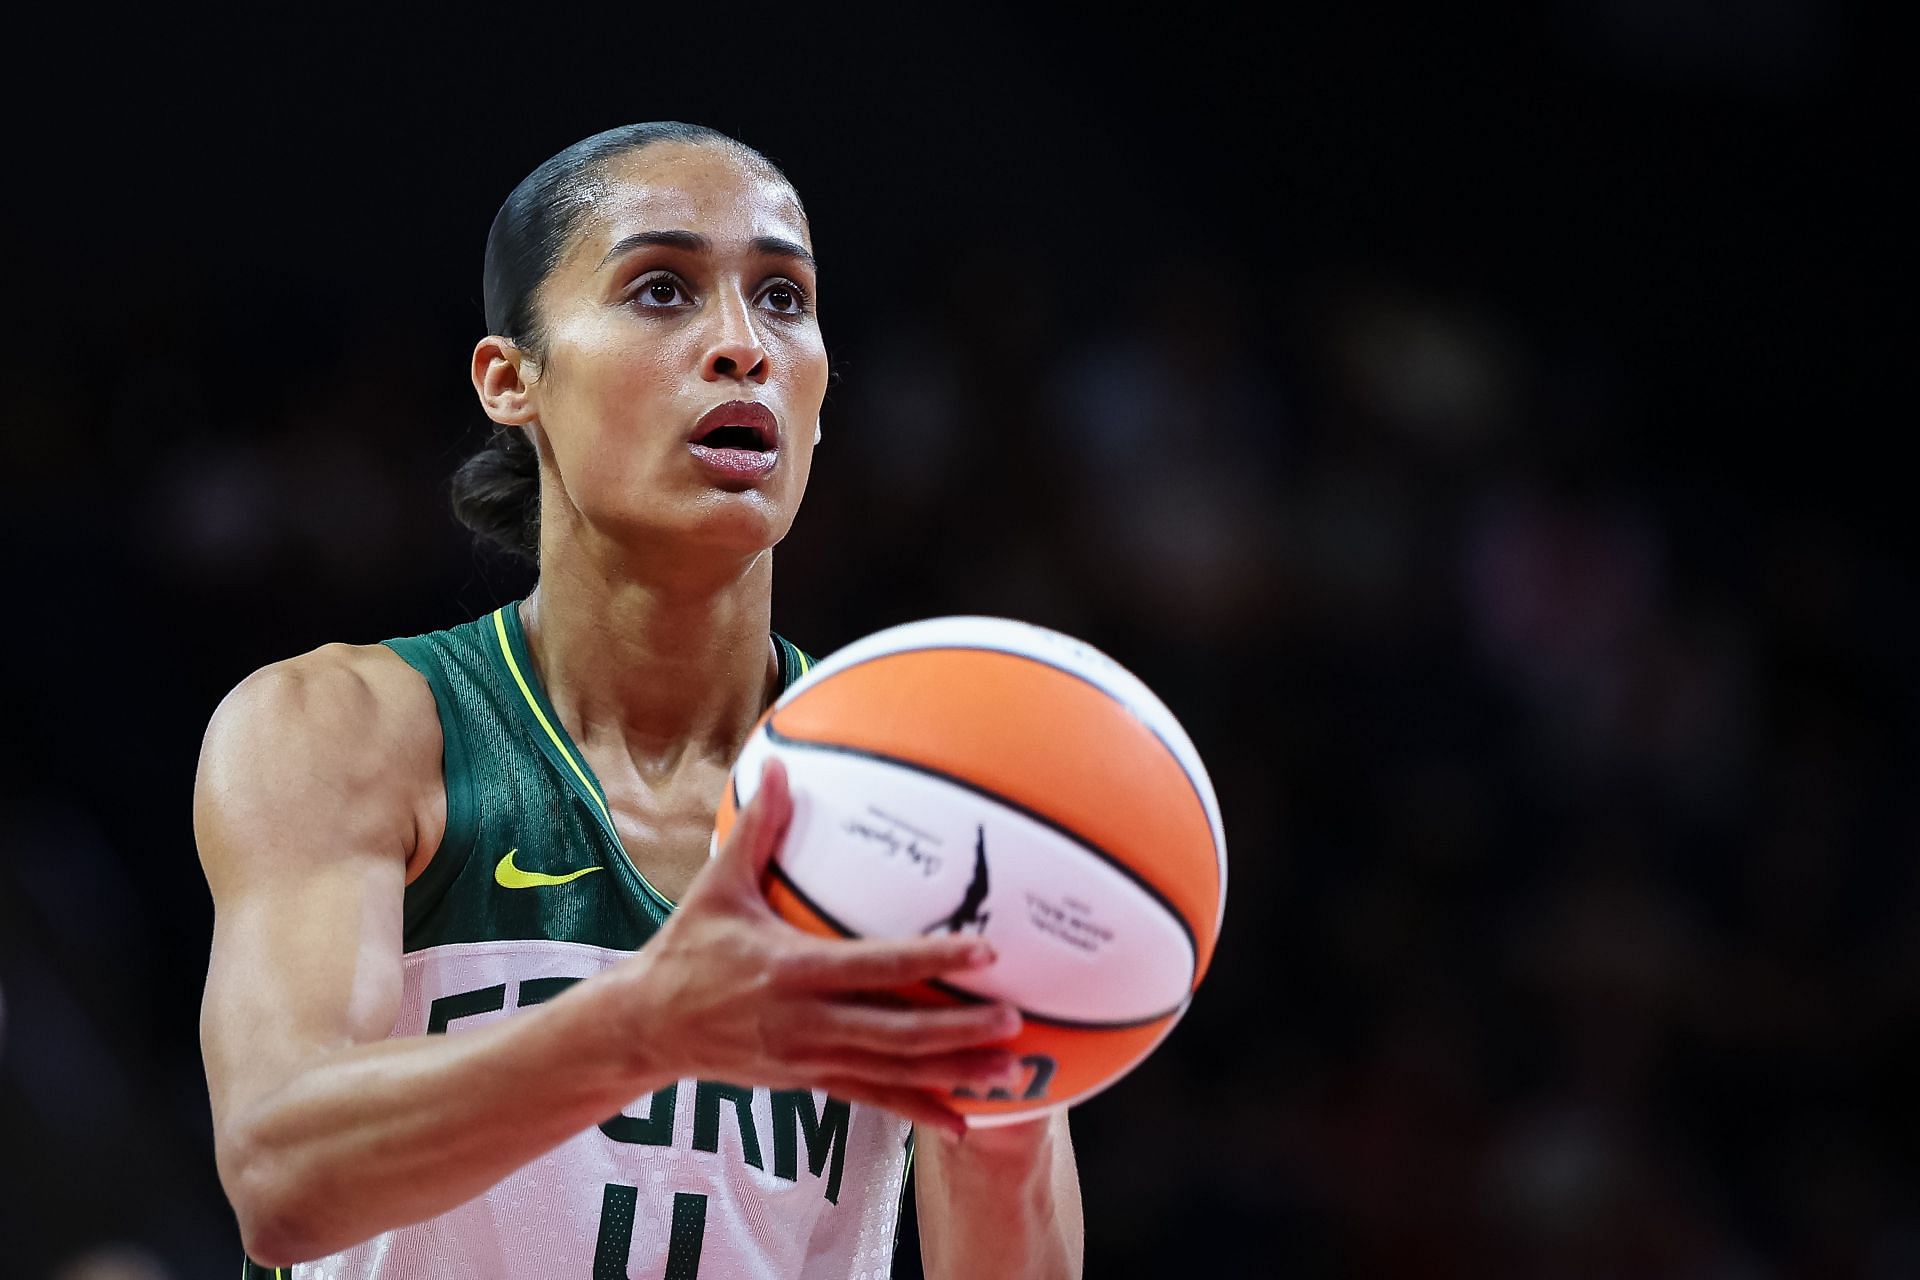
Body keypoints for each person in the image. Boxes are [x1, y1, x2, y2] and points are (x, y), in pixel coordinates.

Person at [194, 121, 1084, 1279]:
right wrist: (644, 1024)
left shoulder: (920, 798)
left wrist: (1011, 1091)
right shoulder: (348, 729)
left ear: (820, 397)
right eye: (662, 289)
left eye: (783, 298)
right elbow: (280, 1174)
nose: (740, 344)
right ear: (512, 380)